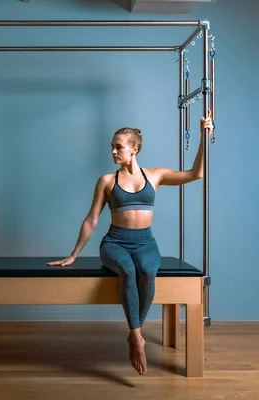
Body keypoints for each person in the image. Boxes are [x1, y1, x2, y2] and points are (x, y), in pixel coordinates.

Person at [47, 110, 214, 375]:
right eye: (112, 147)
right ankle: (137, 336)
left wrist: (205, 135)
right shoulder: (106, 181)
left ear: (134, 149)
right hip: (115, 243)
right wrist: (73, 254)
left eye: (118, 147)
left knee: (147, 271)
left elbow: (196, 174)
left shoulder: (155, 176)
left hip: (145, 242)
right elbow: (91, 219)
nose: (113, 151)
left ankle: (133, 333)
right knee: (127, 270)